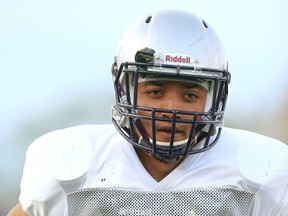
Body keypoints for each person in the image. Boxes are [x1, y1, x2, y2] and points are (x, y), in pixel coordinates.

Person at [8, 9, 288, 216]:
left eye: (190, 95)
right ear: (125, 90)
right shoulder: (71, 164)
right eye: (155, 92)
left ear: (212, 99)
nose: (171, 109)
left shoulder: (261, 171)